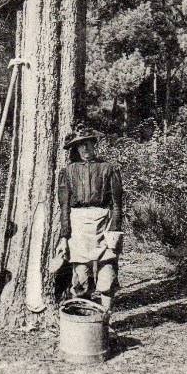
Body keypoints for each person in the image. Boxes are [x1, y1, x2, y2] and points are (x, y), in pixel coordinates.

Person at [56, 122, 124, 316]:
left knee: (107, 275)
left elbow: (117, 203)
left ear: (95, 144)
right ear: (76, 148)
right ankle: (84, 320)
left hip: (104, 222)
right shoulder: (68, 172)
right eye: (81, 144)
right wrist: (64, 236)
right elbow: (64, 206)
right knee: (81, 277)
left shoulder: (108, 169)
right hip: (78, 225)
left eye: (88, 143)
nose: (85, 148)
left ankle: (105, 319)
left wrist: (114, 229)